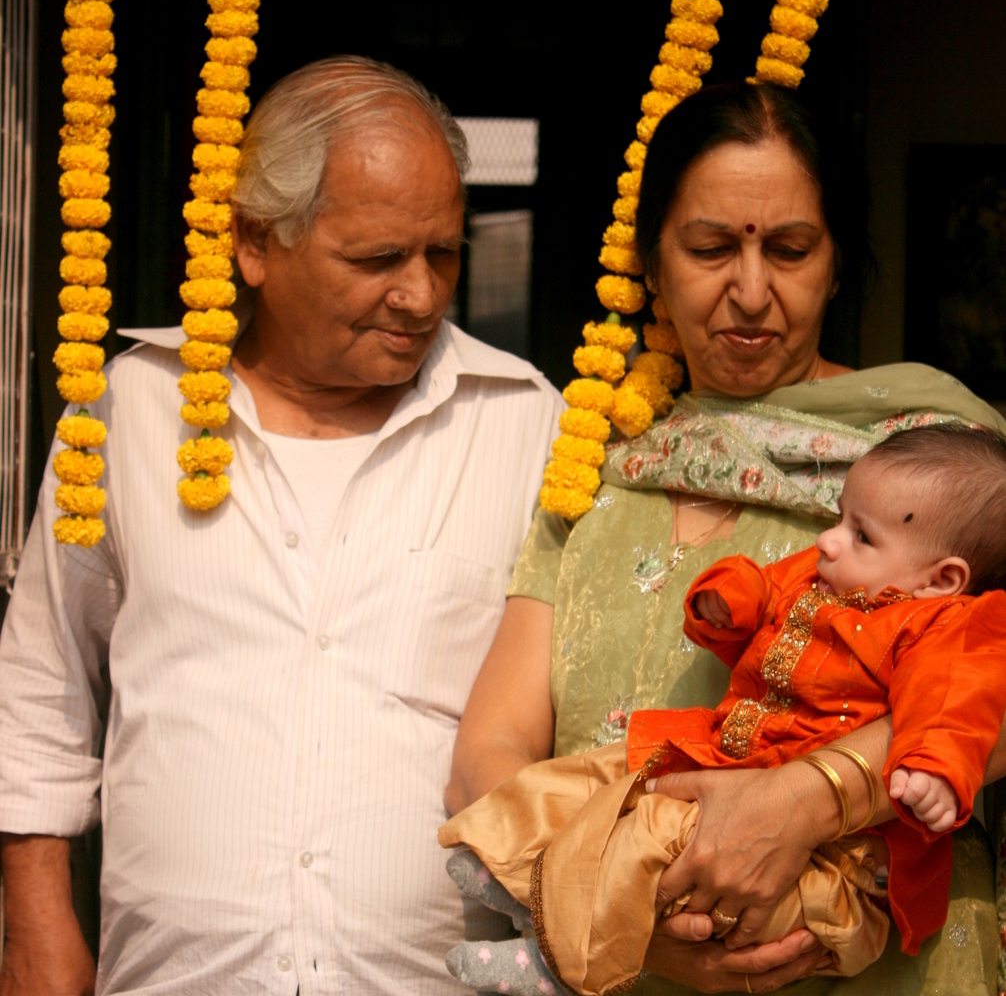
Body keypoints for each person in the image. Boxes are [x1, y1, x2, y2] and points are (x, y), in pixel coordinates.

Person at [0, 57, 562, 995]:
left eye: (443, 253)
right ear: (256, 243)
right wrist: (34, 924)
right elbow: (40, 681)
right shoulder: (126, 412)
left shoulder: (527, 424)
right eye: (377, 259)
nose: (421, 294)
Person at [446, 82, 1006, 995]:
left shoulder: (938, 468)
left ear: (836, 262)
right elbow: (490, 750)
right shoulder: (597, 469)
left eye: (790, 249)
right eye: (710, 249)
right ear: (651, 264)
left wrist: (811, 796)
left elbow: (994, 679)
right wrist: (618, 914)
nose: (751, 292)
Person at [440, 423, 1006, 996]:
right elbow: (766, 586)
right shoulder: (823, 578)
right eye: (839, 518)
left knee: (653, 831)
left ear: (943, 579)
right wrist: (731, 599)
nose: (829, 540)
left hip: (830, 856)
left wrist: (931, 769)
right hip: (721, 757)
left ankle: (558, 964)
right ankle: (520, 879)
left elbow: (956, 701)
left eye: (860, 535)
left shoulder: (943, 630)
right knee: (591, 780)